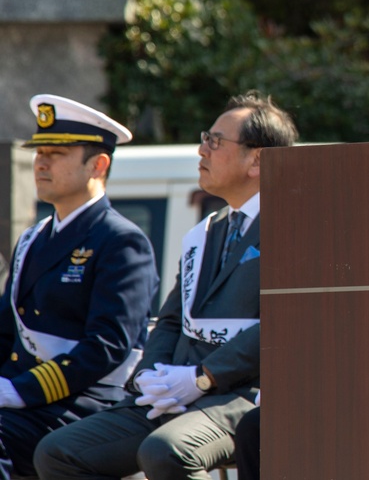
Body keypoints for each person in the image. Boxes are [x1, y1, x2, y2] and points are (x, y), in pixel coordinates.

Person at [34, 90, 299, 480]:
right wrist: (153, 375)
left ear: (257, 158)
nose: (202, 150)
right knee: (59, 452)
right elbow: (173, 319)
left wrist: (203, 376)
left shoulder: (295, 225)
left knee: (167, 452)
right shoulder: (210, 230)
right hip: (181, 390)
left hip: (245, 396)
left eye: (215, 141)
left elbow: (285, 323)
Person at [0, 94, 158, 480]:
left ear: (98, 164)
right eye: (39, 152)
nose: (41, 161)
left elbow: (106, 345)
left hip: (85, 402)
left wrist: (20, 391)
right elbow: (6, 330)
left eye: (56, 153)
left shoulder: (121, 241)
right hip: (25, 397)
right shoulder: (34, 238)